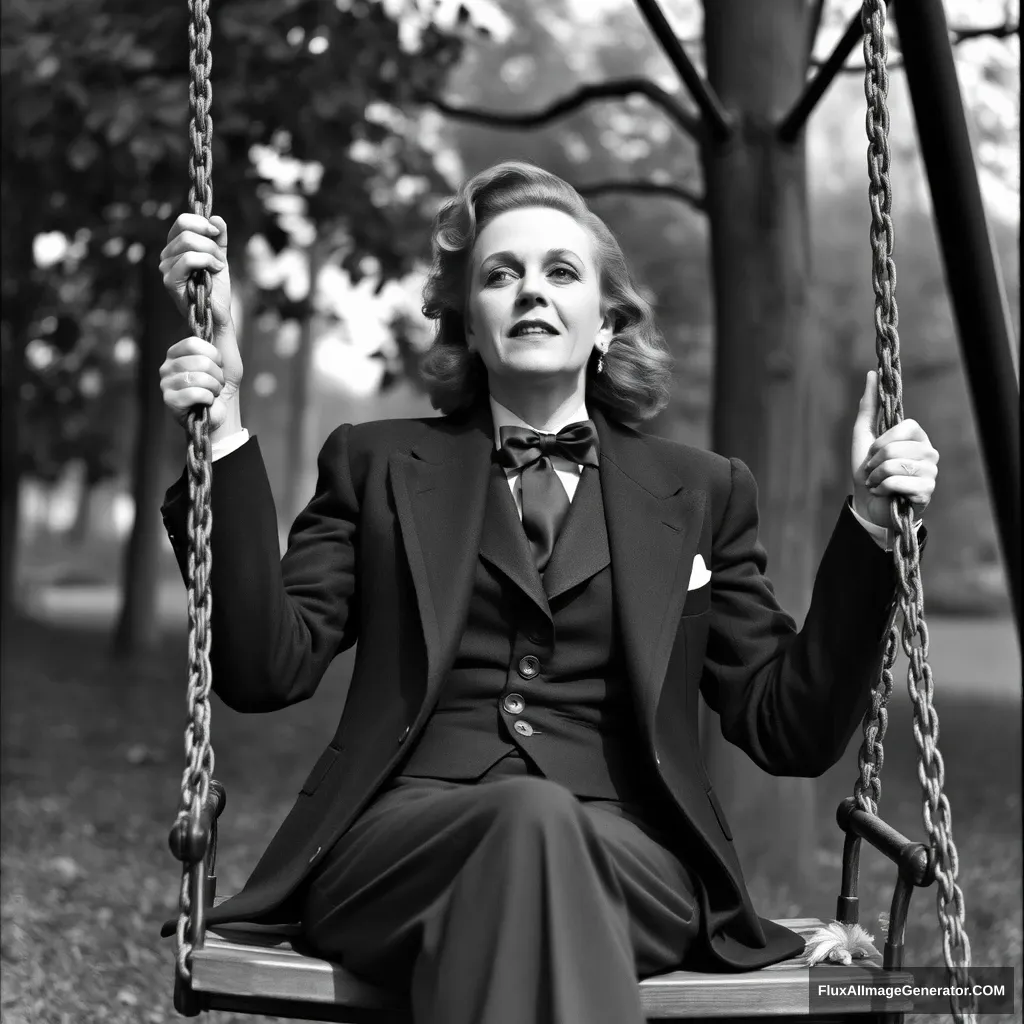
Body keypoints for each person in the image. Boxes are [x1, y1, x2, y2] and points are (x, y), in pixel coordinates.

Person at [157, 161, 938, 1024]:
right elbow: (268, 667)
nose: (530, 291)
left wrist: (871, 525)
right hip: (400, 845)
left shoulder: (700, 490)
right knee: (526, 830)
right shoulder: (375, 463)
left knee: (538, 839)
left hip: (632, 854)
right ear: (471, 323)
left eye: (561, 272)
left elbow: (789, 725)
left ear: (606, 322)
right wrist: (222, 425)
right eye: (501, 274)